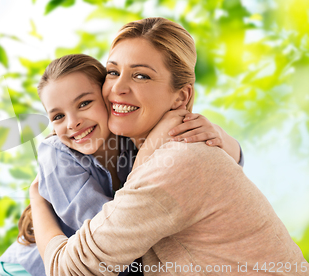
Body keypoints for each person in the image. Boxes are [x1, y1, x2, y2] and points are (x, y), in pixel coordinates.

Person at [30, 18, 308, 275]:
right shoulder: (148, 148)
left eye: (141, 76)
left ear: (181, 97)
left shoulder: (178, 161)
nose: (118, 88)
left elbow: (67, 269)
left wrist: (37, 200)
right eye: (113, 72)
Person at [0, 53, 244, 276]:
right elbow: (111, 239)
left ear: (107, 100)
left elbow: (217, 170)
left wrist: (222, 138)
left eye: (84, 104)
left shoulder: (130, 139)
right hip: (26, 269)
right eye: (58, 116)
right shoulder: (57, 156)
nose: (72, 123)